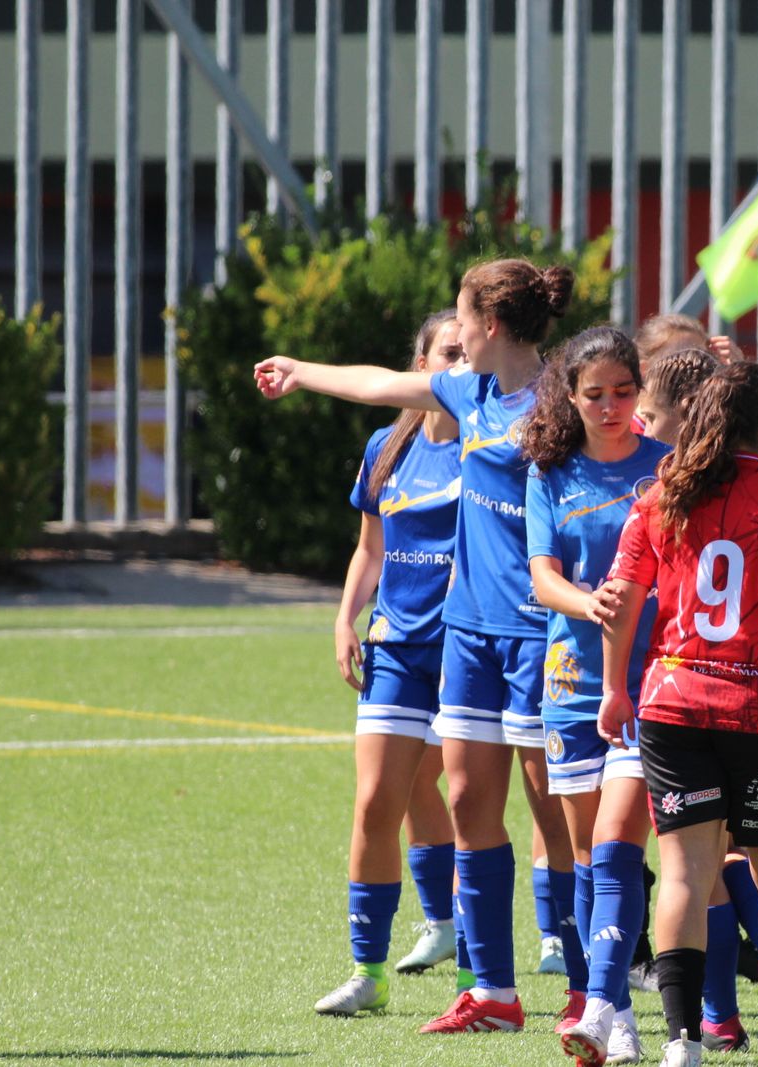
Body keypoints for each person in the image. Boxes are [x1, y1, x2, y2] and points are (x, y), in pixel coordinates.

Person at [255, 259, 580, 1036]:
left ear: (490, 325)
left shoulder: (561, 401)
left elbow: (624, 467)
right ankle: (492, 992)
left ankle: (586, 984)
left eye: (463, 318)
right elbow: (377, 384)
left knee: (552, 812)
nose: (455, 332)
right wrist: (301, 370)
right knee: (468, 801)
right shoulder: (469, 393)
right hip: (468, 632)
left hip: (537, 632)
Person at [597, 361, 758, 1067]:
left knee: (683, 874)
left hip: (672, 705)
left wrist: (612, 688)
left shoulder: (661, 496)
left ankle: (681, 1043)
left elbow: (621, 597)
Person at [520, 326, 672, 1066]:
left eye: (623, 392)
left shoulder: (667, 468)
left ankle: (610, 1005)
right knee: (584, 855)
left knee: (617, 847)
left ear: (639, 390)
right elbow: (541, 576)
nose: (611, 407)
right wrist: (592, 604)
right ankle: (601, 1008)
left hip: (652, 685)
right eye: (595, 395)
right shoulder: (550, 473)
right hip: (571, 684)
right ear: (571, 399)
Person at [313, 311, 464, 1016]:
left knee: (466, 799)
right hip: (398, 645)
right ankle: (366, 972)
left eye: (471, 352)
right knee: (378, 800)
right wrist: (347, 617)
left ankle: (496, 966)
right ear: (420, 362)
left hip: (471, 647)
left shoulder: (493, 443)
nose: (461, 365)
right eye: (448, 353)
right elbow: (370, 548)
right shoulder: (387, 445)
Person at [633, 313, 758, 477]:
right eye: (678, 358)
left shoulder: (715, 421)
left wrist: (742, 376)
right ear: (644, 370)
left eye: (704, 356)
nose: (693, 364)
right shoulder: (622, 426)